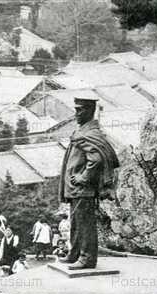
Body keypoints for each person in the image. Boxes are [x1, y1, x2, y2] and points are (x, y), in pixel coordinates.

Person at [59, 93, 119, 269]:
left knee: (85, 223)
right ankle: (75, 253)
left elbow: (96, 160)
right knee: (76, 222)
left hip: (82, 188)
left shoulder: (90, 133)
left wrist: (83, 178)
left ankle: (87, 258)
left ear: (89, 111)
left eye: (80, 110)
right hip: (75, 189)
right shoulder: (83, 131)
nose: (76, 114)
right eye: (75, 110)